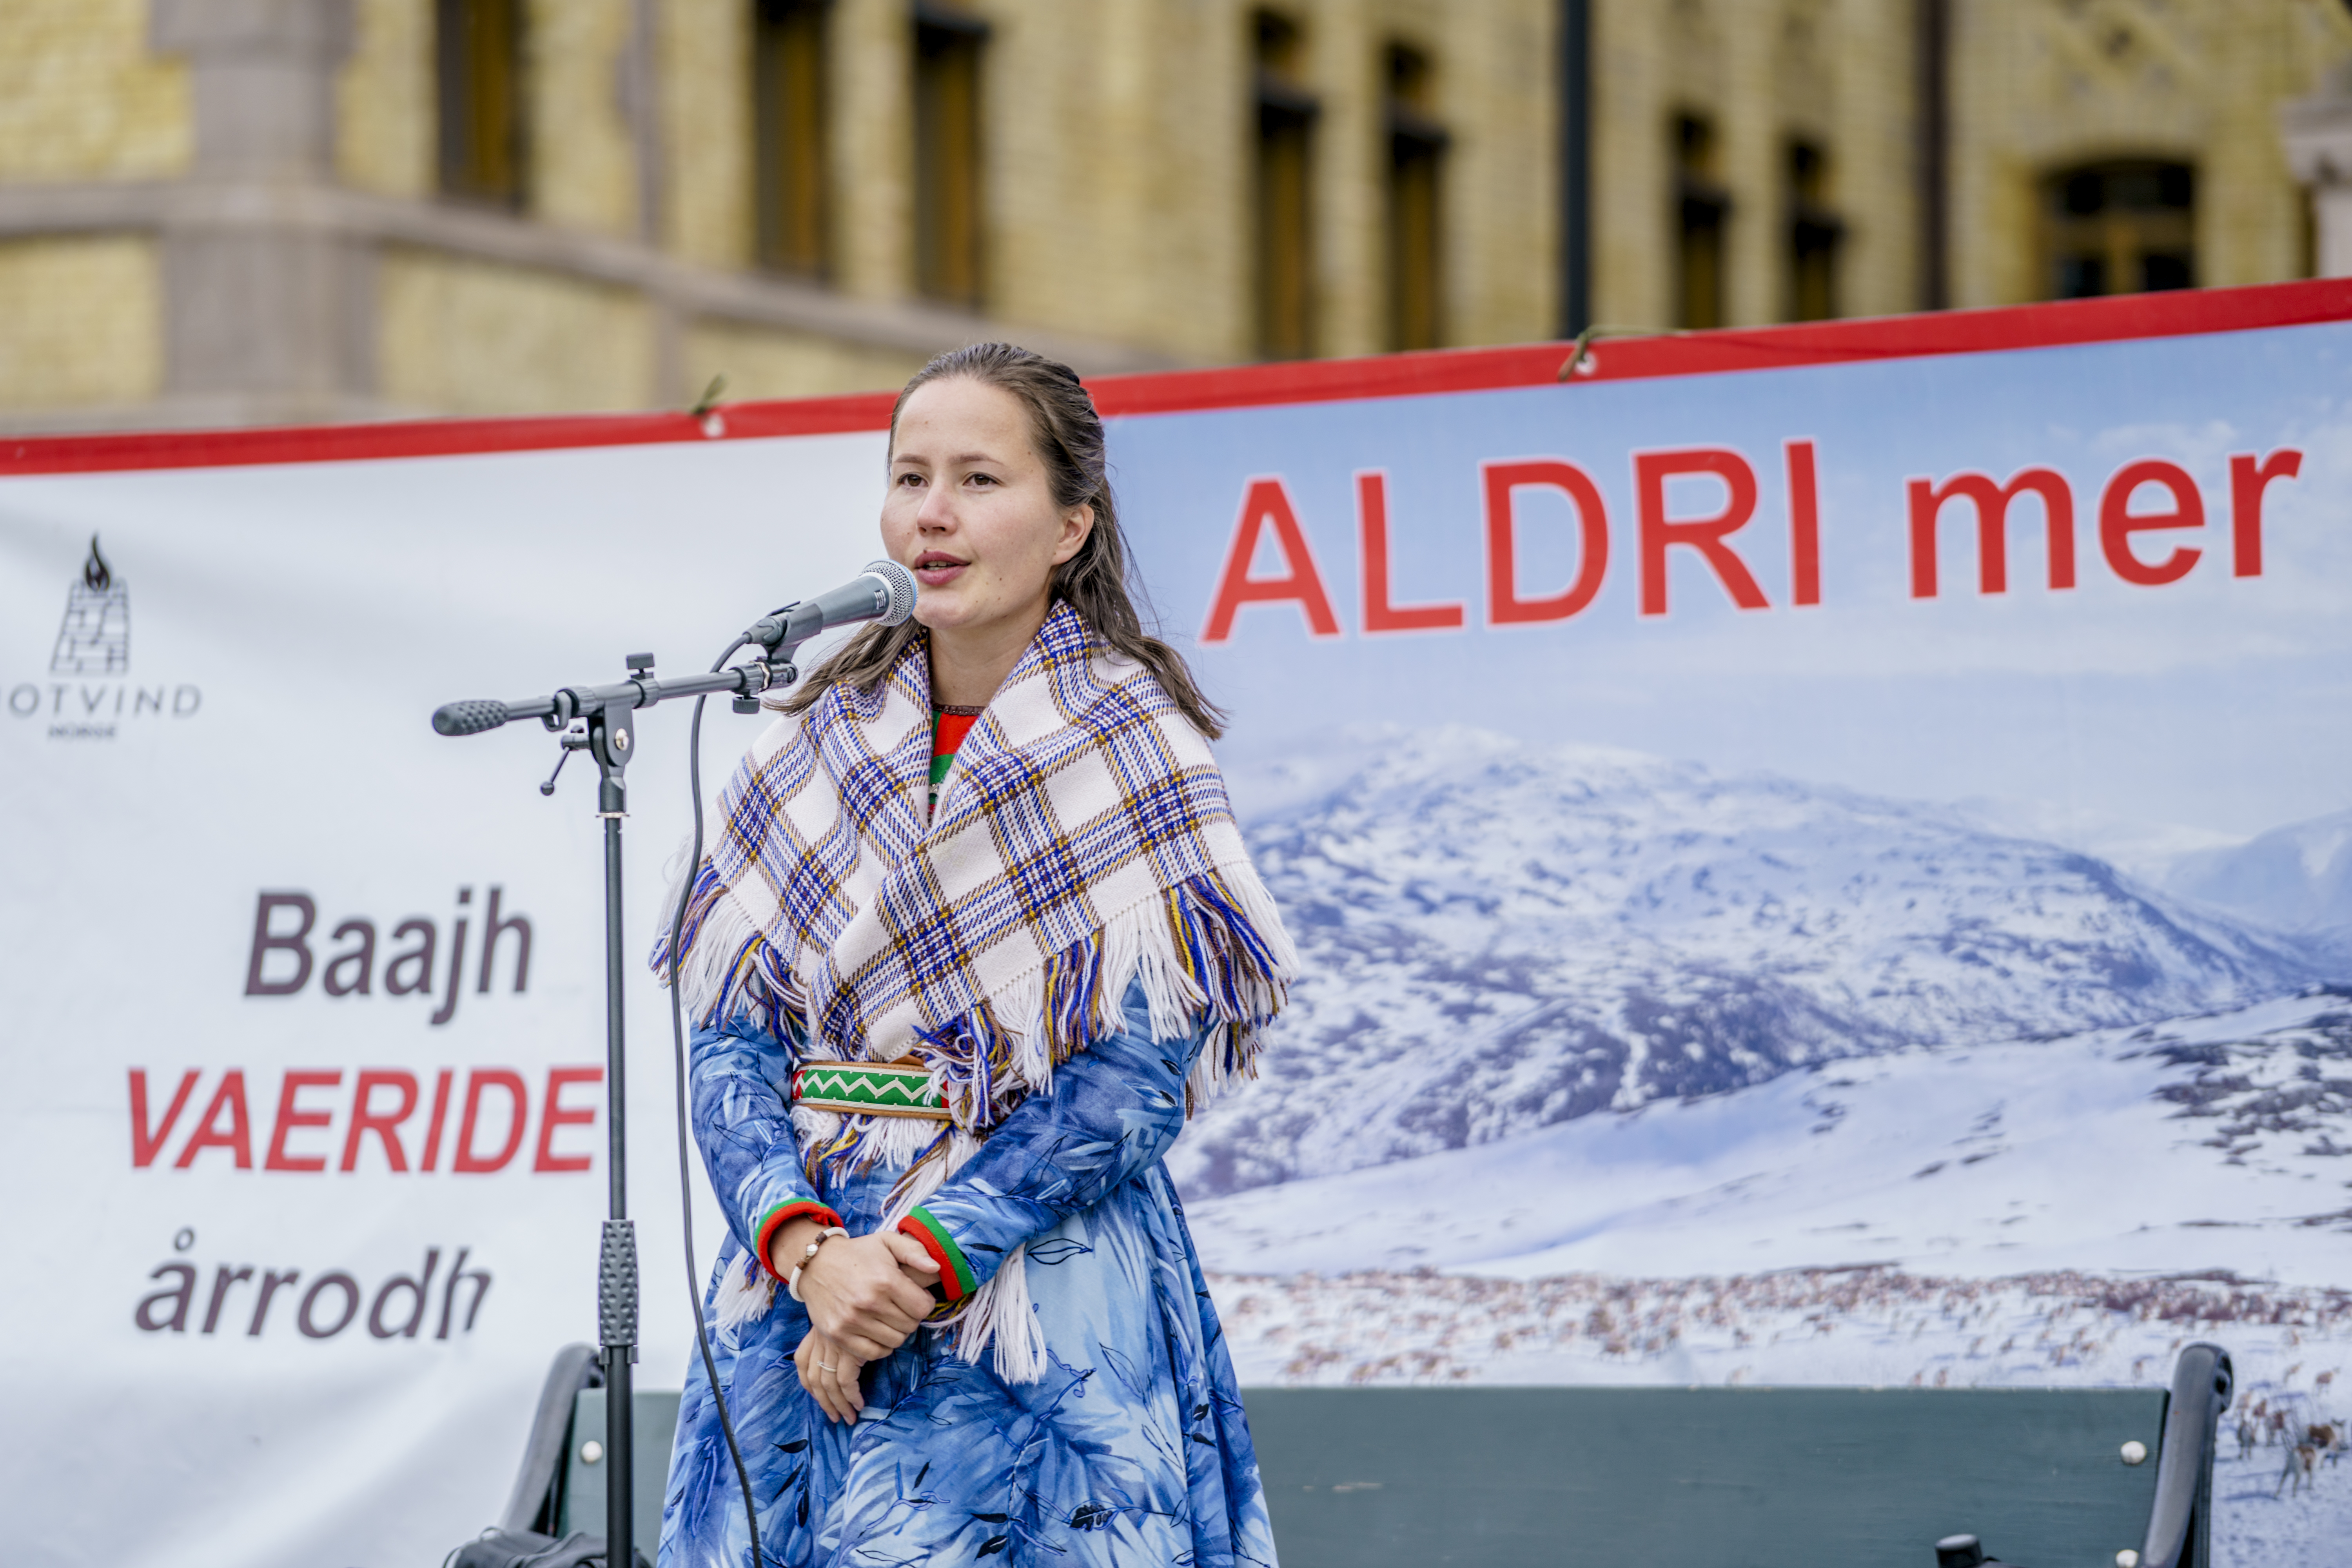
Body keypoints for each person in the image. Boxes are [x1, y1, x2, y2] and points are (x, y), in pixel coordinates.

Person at [651, 342, 1296, 1568]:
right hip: (801, 1284)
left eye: (979, 481)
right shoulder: (807, 745)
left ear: (1070, 526)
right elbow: (730, 1034)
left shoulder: (1136, 749)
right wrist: (804, 1249)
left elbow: (1141, 1075)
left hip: (1023, 1291)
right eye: (910, 477)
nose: (932, 515)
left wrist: (918, 1260)